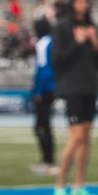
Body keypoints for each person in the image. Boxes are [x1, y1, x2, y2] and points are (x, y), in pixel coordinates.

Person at [52, 0, 98, 195]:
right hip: (72, 87)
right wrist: (77, 42)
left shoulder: (93, 28)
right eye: (79, 1)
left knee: (86, 137)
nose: (82, 5)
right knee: (76, 136)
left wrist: (95, 44)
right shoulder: (63, 27)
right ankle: (59, 185)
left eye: (85, 1)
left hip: (90, 87)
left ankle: (79, 185)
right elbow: (57, 60)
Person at [30, 18, 58, 175]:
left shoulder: (42, 44)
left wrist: (38, 91)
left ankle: (48, 161)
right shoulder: (51, 41)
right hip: (51, 88)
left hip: (45, 89)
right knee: (44, 125)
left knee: (42, 126)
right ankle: (48, 160)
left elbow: (43, 69)